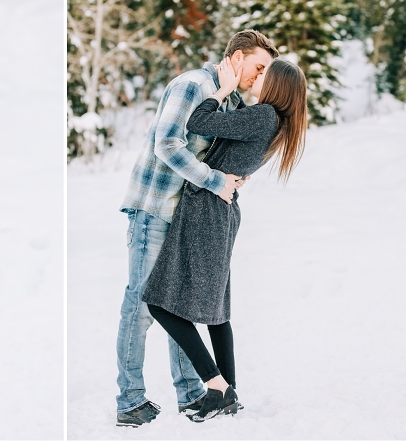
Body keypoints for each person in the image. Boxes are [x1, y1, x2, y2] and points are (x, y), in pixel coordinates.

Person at [115, 29, 279, 427]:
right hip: (155, 208)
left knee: (179, 303)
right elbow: (168, 144)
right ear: (237, 58)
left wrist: (235, 175)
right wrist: (215, 181)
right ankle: (130, 401)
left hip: (187, 216)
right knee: (142, 307)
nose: (261, 77)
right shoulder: (193, 85)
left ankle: (192, 394)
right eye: (258, 67)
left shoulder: (233, 100)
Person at [143, 58, 308, 423]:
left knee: (160, 303)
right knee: (216, 309)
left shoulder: (263, 116)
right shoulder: (274, 121)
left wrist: (222, 91)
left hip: (206, 210)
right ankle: (229, 390)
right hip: (220, 211)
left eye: (265, 74)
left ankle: (217, 387)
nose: (259, 76)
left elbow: (198, 122)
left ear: (277, 86)